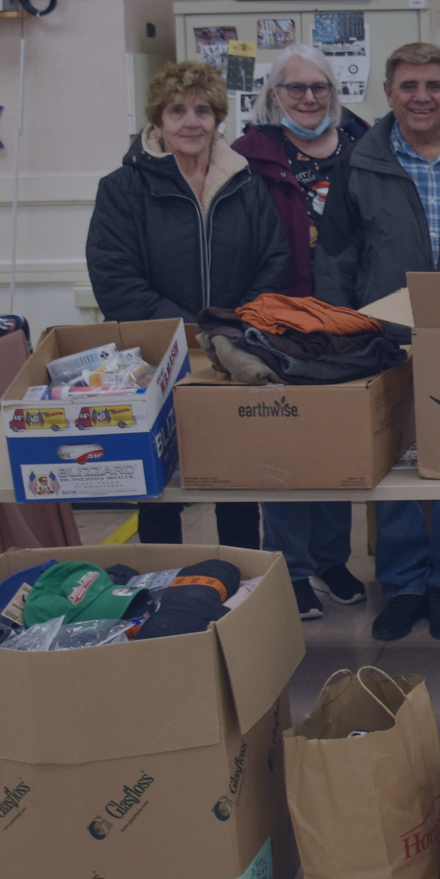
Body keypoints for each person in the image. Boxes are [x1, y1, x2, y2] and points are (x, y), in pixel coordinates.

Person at [316, 43, 440, 642]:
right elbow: (338, 254)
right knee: (392, 466)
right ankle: (403, 584)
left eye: (434, 86)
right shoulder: (360, 162)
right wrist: (340, 335)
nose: (422, 97)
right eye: (409, 86)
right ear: (389, 94)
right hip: (382, 335)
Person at [85, 61, 288, 550]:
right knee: (159, 487)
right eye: (177, 110)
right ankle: (164, 588)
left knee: (237, 480)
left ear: (219, 119)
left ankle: (241, 585)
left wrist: (232, 329)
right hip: (156, 358)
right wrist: (193, 332)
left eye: (203, 110)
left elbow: (273, 260)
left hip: (233, 356)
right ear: (157, 122)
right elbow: (114, 277)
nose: (191, 121)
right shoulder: (121, 189)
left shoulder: (245, 183)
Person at [233, 43, 372, 620]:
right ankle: (288, 567)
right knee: (284, 444)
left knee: (338, 441)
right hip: (280, 315)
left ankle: (330, 558)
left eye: (320, 88)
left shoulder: (366, 143)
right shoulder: (250, 155)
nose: (310, 98)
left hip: (349, 314)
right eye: (296, 88)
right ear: (274, 95)